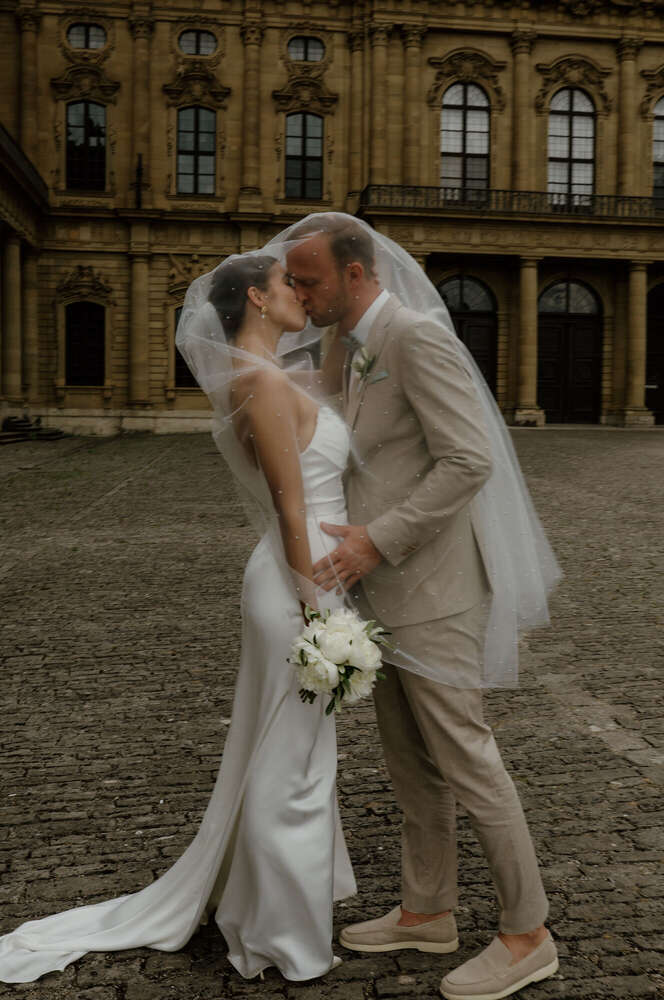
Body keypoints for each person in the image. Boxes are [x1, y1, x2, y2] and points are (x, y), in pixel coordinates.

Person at [0, 253, 356, 984]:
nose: (300, 291)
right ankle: (284, 937)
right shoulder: (258, 380)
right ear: (257, 297)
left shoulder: (268, 374)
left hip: (309, 570)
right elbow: (292, 506)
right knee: (290, 766)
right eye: (289, 283)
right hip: (298, 580)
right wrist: (315, 608)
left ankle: (274, 908)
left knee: (293, 755)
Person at [283, 213, 561, 1000]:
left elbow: (468, 456)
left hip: (434, 588)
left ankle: (527, 933)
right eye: (296, 282)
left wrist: (378, 541)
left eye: (310, 280)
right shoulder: (350, 344)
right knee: (410, 766)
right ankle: (428, 911)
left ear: (357, 273)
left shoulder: (413, 335)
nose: (302, 294)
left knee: (468, 764)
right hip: (384, 594)